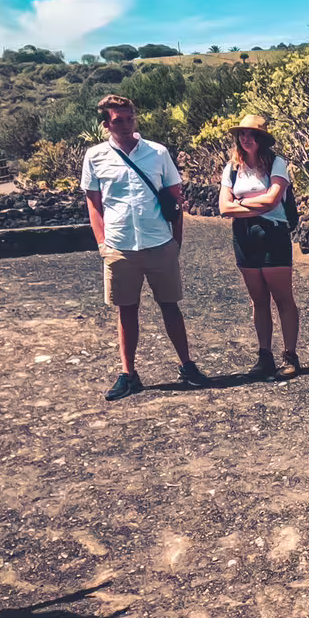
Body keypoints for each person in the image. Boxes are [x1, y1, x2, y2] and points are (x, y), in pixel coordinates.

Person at [80, 95, 211, 401]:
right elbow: (93, 202)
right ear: (105, 125)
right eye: (117, 120)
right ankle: (129, 374)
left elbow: (175, 197)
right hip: (119, 244)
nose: (125, 125)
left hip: (158, 242)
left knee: (170, 305)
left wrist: (176, 241)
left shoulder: (157, 152)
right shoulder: (95, 156)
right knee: (126, 310)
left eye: (129, 118)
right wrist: (102, 242)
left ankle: (187, 366)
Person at [218, 116, 301, 382]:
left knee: (283, 298)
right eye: (242, 134)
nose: (246, 138)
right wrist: (258, 204)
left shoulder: (277, 164)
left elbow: (274, 199)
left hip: (272, 235)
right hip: (244, 236)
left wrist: (240, 202)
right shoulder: (232, 168)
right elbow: (223, 207)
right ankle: (265, 355)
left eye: (252, 134)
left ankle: (290, 356)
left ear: (262, 139)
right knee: (258, 300)